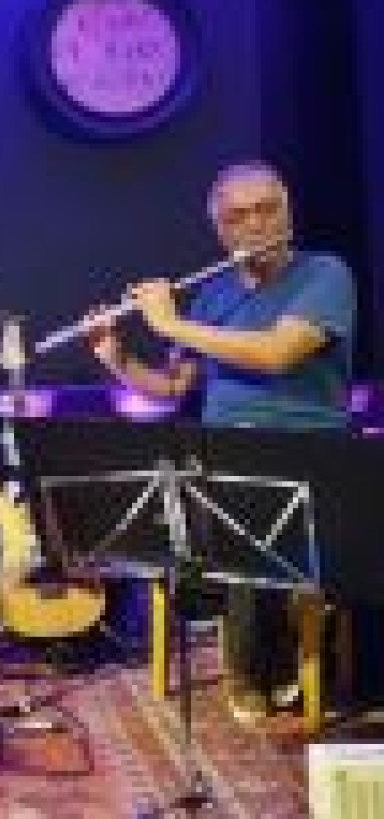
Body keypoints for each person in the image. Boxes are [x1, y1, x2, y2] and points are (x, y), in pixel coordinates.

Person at [85, 161, 356, 723]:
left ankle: (262, 665)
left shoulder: (325, 274)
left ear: (288, 213)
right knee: (198, 497)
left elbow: (277, 353)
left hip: (310, 452)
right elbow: (173, 387)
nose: (255, 225)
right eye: (238, 217)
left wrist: (170, 325)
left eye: (267, 210)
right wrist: (115, 357)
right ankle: (255, 662)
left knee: (244, 501)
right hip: (225, 455)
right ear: (220, 230)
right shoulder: (213, 296)